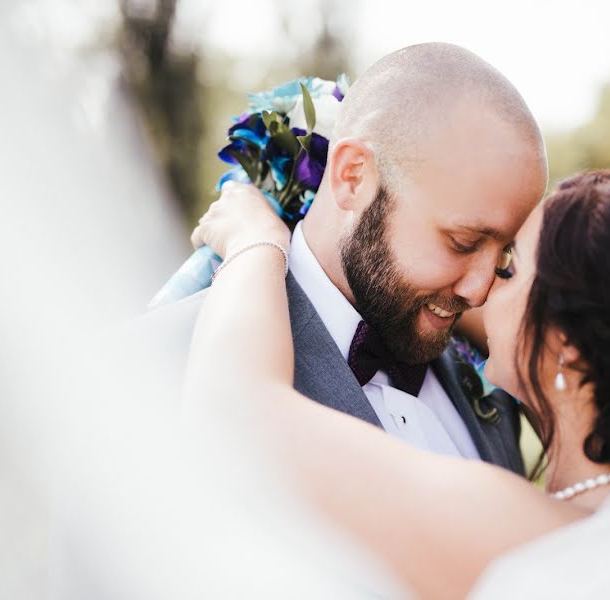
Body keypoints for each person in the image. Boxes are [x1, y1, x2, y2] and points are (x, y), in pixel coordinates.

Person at [184, 171, 610, 599]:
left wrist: (257, 242)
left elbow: (241, 410)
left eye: (511, 268)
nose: (482, 287)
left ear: (568, 343)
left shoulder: (533, 533)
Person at [140, 42, 548, 473]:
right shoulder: (160, 366)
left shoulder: (493, 383)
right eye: (462, 242)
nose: (480, 290)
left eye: (503, 255)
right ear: (353, 177)